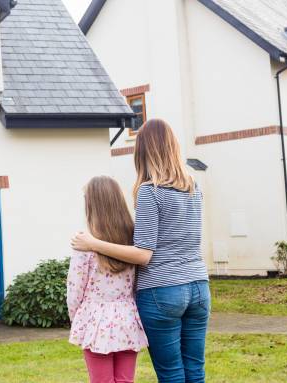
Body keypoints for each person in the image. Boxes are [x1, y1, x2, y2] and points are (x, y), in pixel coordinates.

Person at [71, 119, 210, 383]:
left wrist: (93, 244)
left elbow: (144, 254)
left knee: (171, 373)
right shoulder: (194, 187)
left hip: (163, 291)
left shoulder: (150, 192)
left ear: (143, 151)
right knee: (195, 369)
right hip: (199, 287)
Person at [67, 176, 148, 383]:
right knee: (125, 381)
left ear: (92, 205)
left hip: (95, 321)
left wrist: (77, 319)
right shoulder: (133, 239)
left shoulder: (84, 243)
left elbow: (75, 290)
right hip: (127, 318)